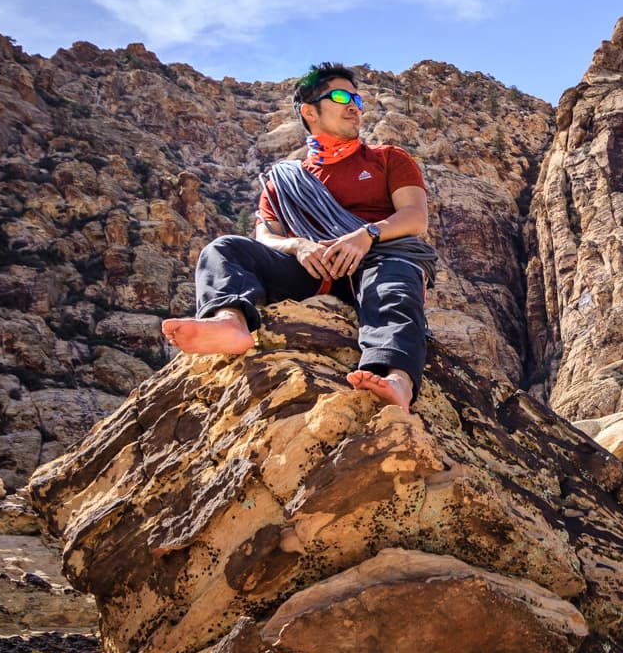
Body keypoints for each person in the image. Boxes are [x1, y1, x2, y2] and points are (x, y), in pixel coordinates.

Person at [161, 62, 436, 412]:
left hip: (379, 259)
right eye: (340, 96)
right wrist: (298, 245)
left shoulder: (388, 158)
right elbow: (266, 236)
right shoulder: (283, 180)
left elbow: (415, 217)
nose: (354, 105)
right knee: (224, 248)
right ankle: (229, 321)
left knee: (394, 286)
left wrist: (366, 235)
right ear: (310, 111)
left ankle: (397, 379)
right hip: (313, 271)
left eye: (357, 98)